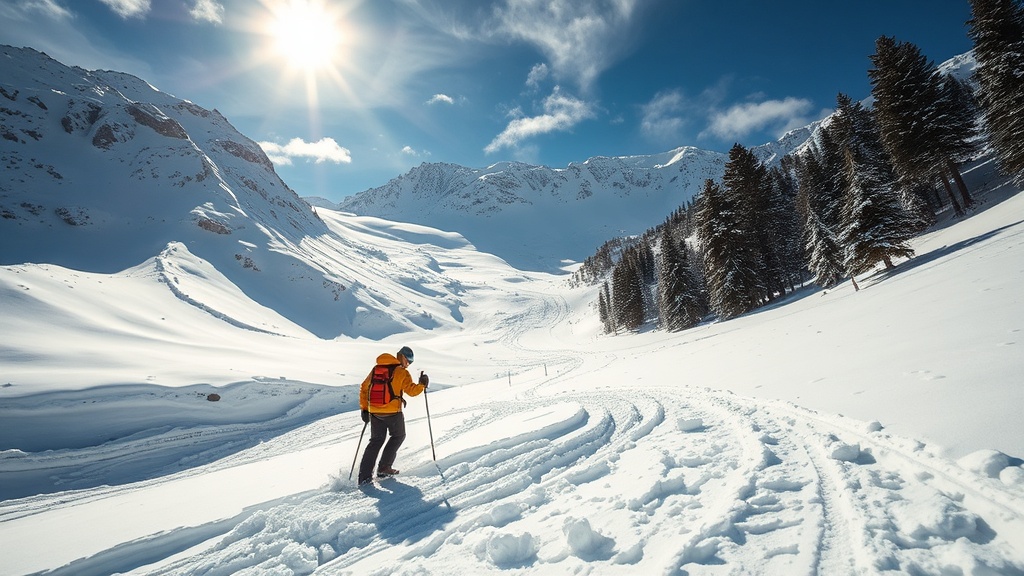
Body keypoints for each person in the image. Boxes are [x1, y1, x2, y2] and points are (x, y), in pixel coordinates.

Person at [357, 346, 428, 485]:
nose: (409, 363)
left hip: (375, 412)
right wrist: (422, 384)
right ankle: (384, 467)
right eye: (409, 360)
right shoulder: (401, 372)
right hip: (392, 412)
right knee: (398, 436)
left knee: (376, 441)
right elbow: (412, 391)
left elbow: (364, 388)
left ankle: (364, 477)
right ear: (402, 357)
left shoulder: (376, 369)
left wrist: (364, 409)